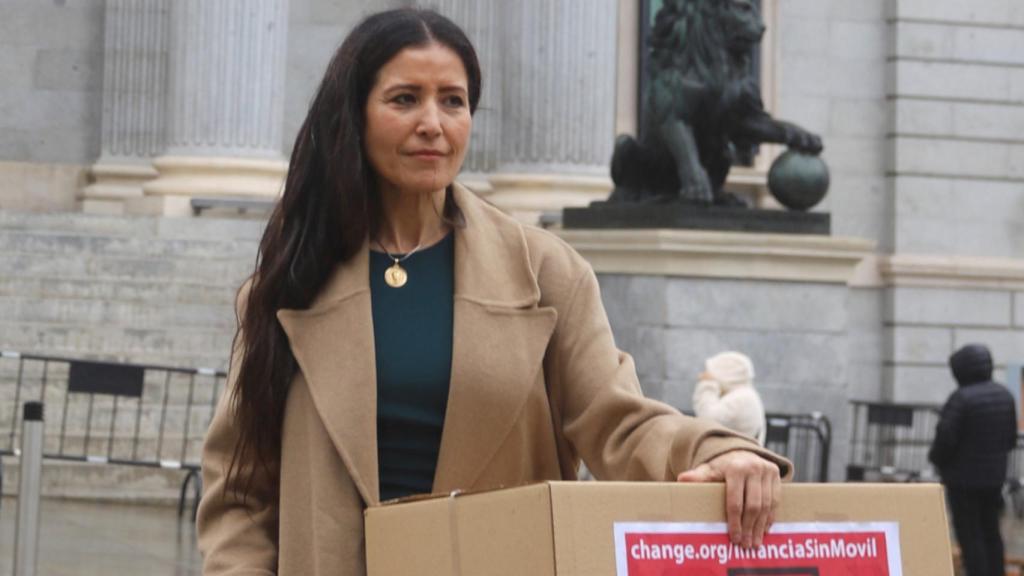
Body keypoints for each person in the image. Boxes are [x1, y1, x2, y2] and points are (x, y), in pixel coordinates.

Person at [197, 8, 791, 575]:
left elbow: (618, 421)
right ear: (353, 115)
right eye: (405, 99)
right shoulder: (289, 282)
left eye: (452, 101)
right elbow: (241, 491)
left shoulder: (546, 272)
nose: (433, 124)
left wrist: (714, 450)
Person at [928, 344, 1017, 576]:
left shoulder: (961, 399)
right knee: (991, 531)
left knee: (970, 535)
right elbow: (1010, 438)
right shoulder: (1005, 395)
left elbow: (945, 438)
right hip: (994, 478)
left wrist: (937, 459)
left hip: (963, 481)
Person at [693, 351, 767, 445]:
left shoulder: (740, 398)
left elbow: (707, 420)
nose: (701, 375)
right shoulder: (745, 395)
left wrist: (707, 385)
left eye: (710, 372)